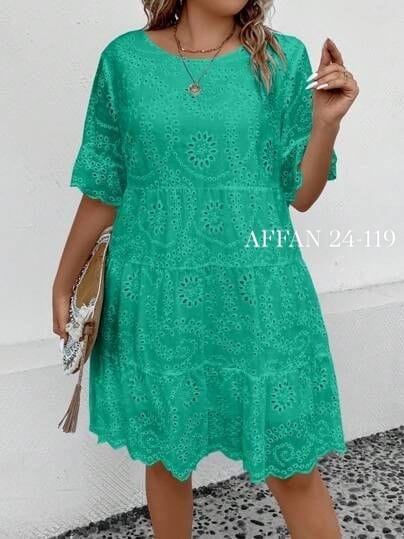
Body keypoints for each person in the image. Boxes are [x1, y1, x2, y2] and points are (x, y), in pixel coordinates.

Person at [52, 1, 359, 537]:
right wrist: (65, 281)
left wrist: (325, 124)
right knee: (167, 457)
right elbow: (105, 182)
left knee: (292, 465)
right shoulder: (124, 60)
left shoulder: (283, 59)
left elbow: (301, 193)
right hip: (156, 289)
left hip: (258, 290)